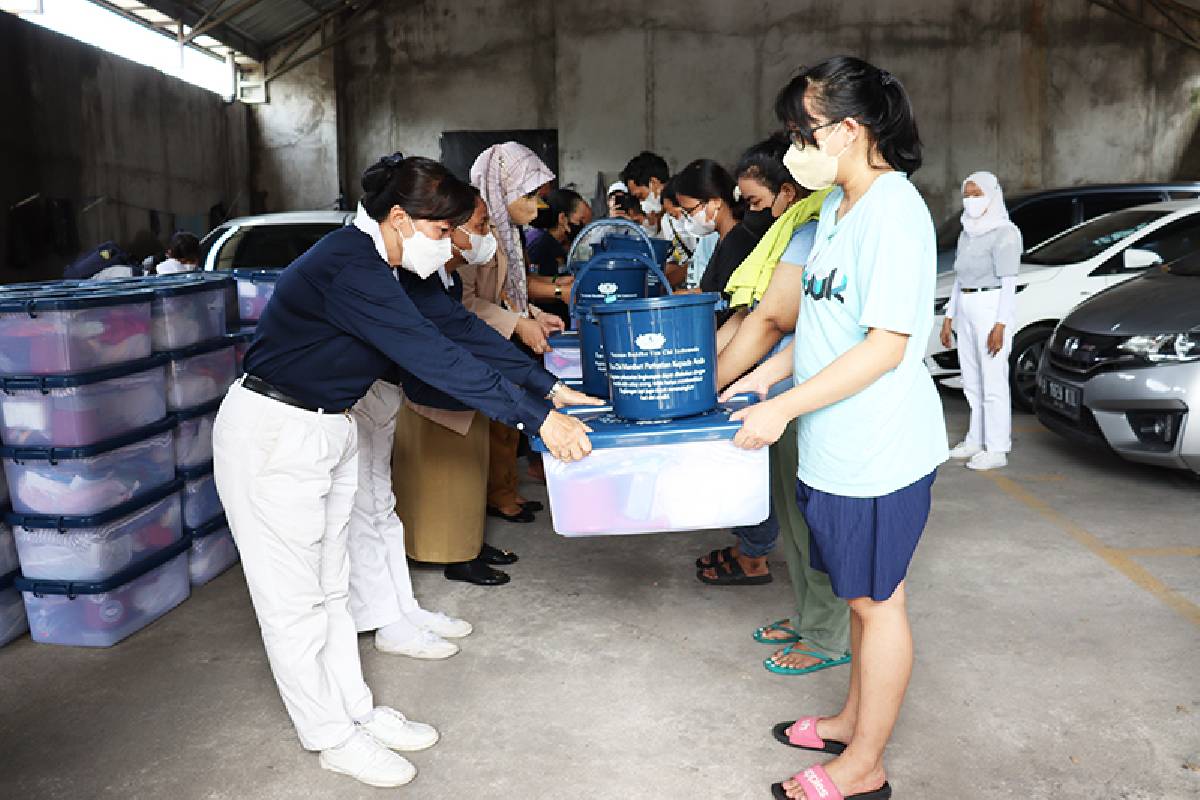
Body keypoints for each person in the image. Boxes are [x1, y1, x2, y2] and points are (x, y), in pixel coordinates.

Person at [212, 153, 593, 788]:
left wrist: (546, 390)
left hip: (326, 425)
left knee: (333, 585)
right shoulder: (348, 266)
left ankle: (355, 711)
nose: (449, 246)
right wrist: (535, 422)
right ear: (398, 216)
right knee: (295, 603)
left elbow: (459, 330)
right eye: (443, 232)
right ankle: (329, 734)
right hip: (274, 437)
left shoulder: (391, 266)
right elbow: (432, 356)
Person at [722, 57, 948, 799]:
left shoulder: (893, 211)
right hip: (834, 444)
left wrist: (782, 407)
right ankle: (855, 718)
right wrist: (765, 375)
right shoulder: (839, 210)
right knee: (859, 598)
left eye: (803, 131)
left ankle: (864, 766)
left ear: (850, 130)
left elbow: (885, 346)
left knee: (880, 604)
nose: (794, 147)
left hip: (877, 447)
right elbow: (825, 321)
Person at [466, 142, 566, 527]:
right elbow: (465, 302)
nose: (536, 207)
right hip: (482, 340)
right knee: (494, 424)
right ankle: (498, 494)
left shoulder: (508, 233)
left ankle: (506, 490)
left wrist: (533, 314)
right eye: (527, 196)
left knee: (508, 426)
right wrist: (518, 323)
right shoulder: (474, 235)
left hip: (500, 337)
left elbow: (509, 290)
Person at [940, 171, 1021, 471]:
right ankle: (976, 439)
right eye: (968, 195)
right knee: (971, 380)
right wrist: (949, 317)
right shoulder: (967, 231)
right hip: (967, 304)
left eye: (978, 194)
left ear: (992, 195)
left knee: (993, 379)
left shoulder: (1005, 233)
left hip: (992, 305)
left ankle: (997, 448)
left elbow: (1010, 282)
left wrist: (1000, 325)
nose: (972, 201)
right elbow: (960, 279)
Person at [674, 159, 773, 304]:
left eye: (690, 211)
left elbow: (726, 300)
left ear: (715, 202)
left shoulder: (739, 242)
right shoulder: (723, 239)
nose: (689, 219)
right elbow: (713, 290)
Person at [525, 188, 588, 323]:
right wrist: (560, 291)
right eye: (581, 220)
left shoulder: (555, 244)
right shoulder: (539, 243)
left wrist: (558, 280)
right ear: (562, 218)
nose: (584, 226)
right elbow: (527, 284)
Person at [620, 150, 670, 232]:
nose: (641, 202)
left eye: (640, 196)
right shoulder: (659, 219)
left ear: (654, 183)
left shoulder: (682, 214)